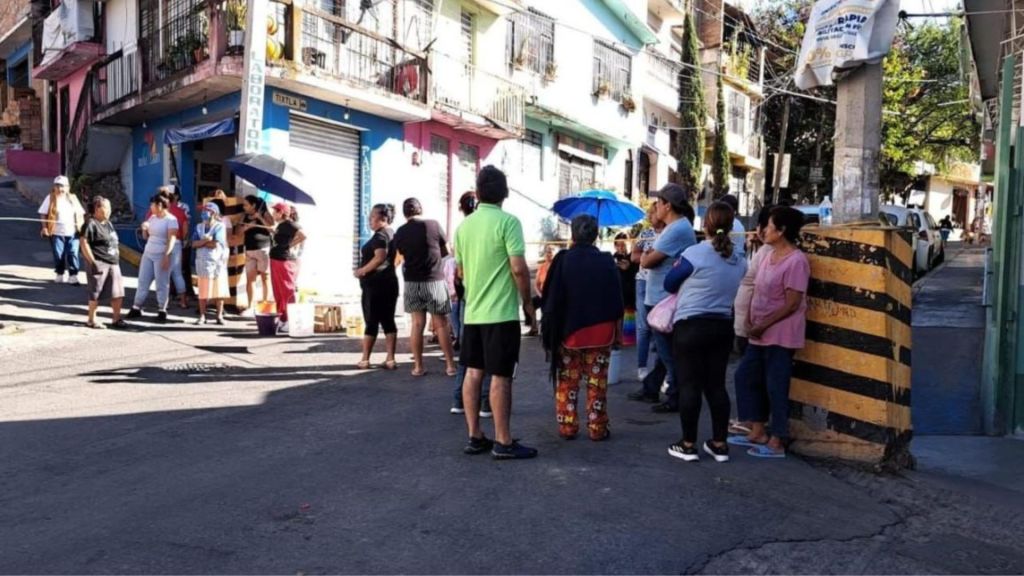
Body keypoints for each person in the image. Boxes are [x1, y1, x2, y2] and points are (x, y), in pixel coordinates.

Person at [454, 165, 537, 459]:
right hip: (501, 314)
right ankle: (503, 441)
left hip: (473, 314)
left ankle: (475, 435)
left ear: (477, 194)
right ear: (505, 193)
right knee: (501, 376)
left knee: (473, 372)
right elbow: (518, 268)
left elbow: (460, 272)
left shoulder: (463, 227)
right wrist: (528, 304)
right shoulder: (509, 222)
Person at [663, 202, 748, 462]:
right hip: (722, 325)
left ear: (706, 224)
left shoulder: (694, 254)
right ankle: (719, 443)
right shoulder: (740, 261)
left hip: (690, 325)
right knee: (716, 386)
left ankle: (688, 444)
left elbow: (669, 283)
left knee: (690, 385)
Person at [729, 206, 810, 459]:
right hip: (760, 330)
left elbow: (792, 302)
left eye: (770, 225)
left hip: (781, 333)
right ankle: (757, 429)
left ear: (782, 230)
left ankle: (777, 439)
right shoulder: (767, 254)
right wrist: (752, 319)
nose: (764, 230)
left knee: (776, 384)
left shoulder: (796, 261)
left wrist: (764, 323)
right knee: (745, 376)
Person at [542, 214, 624, 441]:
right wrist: (617, 333)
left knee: (568, 380)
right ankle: (597, 428)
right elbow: (617, 300)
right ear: (596, 235)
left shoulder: (563, 260)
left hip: (570, 333)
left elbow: (552, 298)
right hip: (601, 332)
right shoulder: (608, 261)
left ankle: (568, 426)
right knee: (597, 383)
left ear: (573, 235)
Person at [639, 183, 697, 413]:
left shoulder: (675, 230)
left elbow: (646, 261)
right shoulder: (675, 228)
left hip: (664, 299)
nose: (656, 208)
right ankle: (654, 386)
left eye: (659, 203)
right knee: (664, 351)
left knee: (667, 351)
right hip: (664, 296)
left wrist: (646, 254)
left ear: (668, 205)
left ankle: (676, 394)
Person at [393, 197, 457, 377]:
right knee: (441, 324)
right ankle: (451, 366)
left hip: (412, 282)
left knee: (417, 324)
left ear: (405, 214)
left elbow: (400, 255)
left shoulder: (401, 231)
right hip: (434, 281)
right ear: (421, 210)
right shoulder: (434, 225)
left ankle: (418, 367)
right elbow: (445, 252)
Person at [730, 205, 774, 437]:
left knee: (749, 375)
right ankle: (753, 422)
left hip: (755, 325)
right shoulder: (765, 250)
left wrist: (753, 321)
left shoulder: (771, 252)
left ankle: (754, 423)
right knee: (750, 374)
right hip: (748, 322)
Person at [450, 191, 493, 418]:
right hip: (488, 299)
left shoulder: (461, 230)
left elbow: (458, 270)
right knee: (486, 356)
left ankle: (458, 400)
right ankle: (486, 403)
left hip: (467, 297)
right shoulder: (489, 225)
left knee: (467, 356)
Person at [354, 203, 399, 370]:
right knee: (388, 320)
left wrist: (362, 270)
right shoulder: (391, 234)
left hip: (375, 285)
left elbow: (379, 257)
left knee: (371, 321)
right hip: (389, 282)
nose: (369, 220)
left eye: (373, 217)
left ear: (384, 219)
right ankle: (390, 358)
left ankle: (365, 359)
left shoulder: (380, 236)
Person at [126, 194, 179, 322]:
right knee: (143, 280)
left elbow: (171, 239)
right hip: (148, 252)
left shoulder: (171, 220)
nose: (151, 207)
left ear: (160, 205)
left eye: (152, 205)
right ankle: (136, 306)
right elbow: (146, 237)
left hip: (161, 253)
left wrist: (167, 256)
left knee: (162, 282)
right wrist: (144, 229)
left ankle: (162, 309)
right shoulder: (152, 217)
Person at [80, 195, 127, 329]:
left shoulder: (108, 223)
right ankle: (91, 319)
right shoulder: (91, 223)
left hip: (113, 262)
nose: (109, 210)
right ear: (97, 208)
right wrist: (92, 261)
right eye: (106, 207)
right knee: (96, 292)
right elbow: (84, 243)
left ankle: (116, 319)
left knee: (117, 292)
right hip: (99, 261)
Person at [629, 203, 661, 393]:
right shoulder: (645, 234)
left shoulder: (669, 233)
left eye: (652, 212)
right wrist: (646, 256)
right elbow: (634, 256)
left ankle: (660, 371)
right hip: (643, 281)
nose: (650, 215)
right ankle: (641, 367)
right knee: (643, 326)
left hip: (661, 284)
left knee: (660, 327)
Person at [38, 175, 85, 284]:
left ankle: (73, 275)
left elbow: (81, 213)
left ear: (68, 187)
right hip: (56, 232)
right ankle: (60, 273)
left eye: (63, 186)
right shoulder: (50, 198)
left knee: (73, 253)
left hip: (73, 232)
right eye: (58, 186)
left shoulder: (73, 198)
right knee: (59, 254)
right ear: (54, 187)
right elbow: (43, 213)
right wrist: (44, 228)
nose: (60, 189)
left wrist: (82, 228)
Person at [269, 201, 306, 334]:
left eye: (275, 211)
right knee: (278, 291)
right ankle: (282, 317)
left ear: (281, 213)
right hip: (275, 259)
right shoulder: (281, 225)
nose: (273, 213)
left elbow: (303, 235)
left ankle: (291, 319)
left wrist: (289, 245)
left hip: (283, 260)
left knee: (287, 290)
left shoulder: (289, 224)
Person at [193, 202, 230, 325]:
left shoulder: (220, 226)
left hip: (217, 262)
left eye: (205, 211)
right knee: (202, 290)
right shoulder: (199, 226)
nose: (203, 213)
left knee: (219, 290)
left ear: (213, 213)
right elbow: (193, 243)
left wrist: (201, 242)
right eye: (202, 211)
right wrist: (205, 241)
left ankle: (219, 316)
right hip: (203, 261)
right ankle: (202, 316)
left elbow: (215, 244)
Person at [239, 195, 275, 311]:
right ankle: (250, 306)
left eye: (246, 204)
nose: (243, 207)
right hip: (249, 249)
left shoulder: (264, 213)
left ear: (253, 205)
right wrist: (247, 227)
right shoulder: (244, 216)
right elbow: (238, 231)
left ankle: (265, 305)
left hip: (263, 249)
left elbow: (272, 228)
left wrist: (260, 218)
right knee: (250, 279)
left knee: (265, 278)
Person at [613, 232, 638, 333]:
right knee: (618, 314)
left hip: (630, 290)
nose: (621, 247)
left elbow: (636, 273)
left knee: (630, 312)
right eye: (618, 245)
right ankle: (619, 336)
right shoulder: (613, 258)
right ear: (614, 246)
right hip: (618, 291)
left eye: (623, 244)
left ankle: (629, 335)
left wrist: (629, 267)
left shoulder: (633, 258)